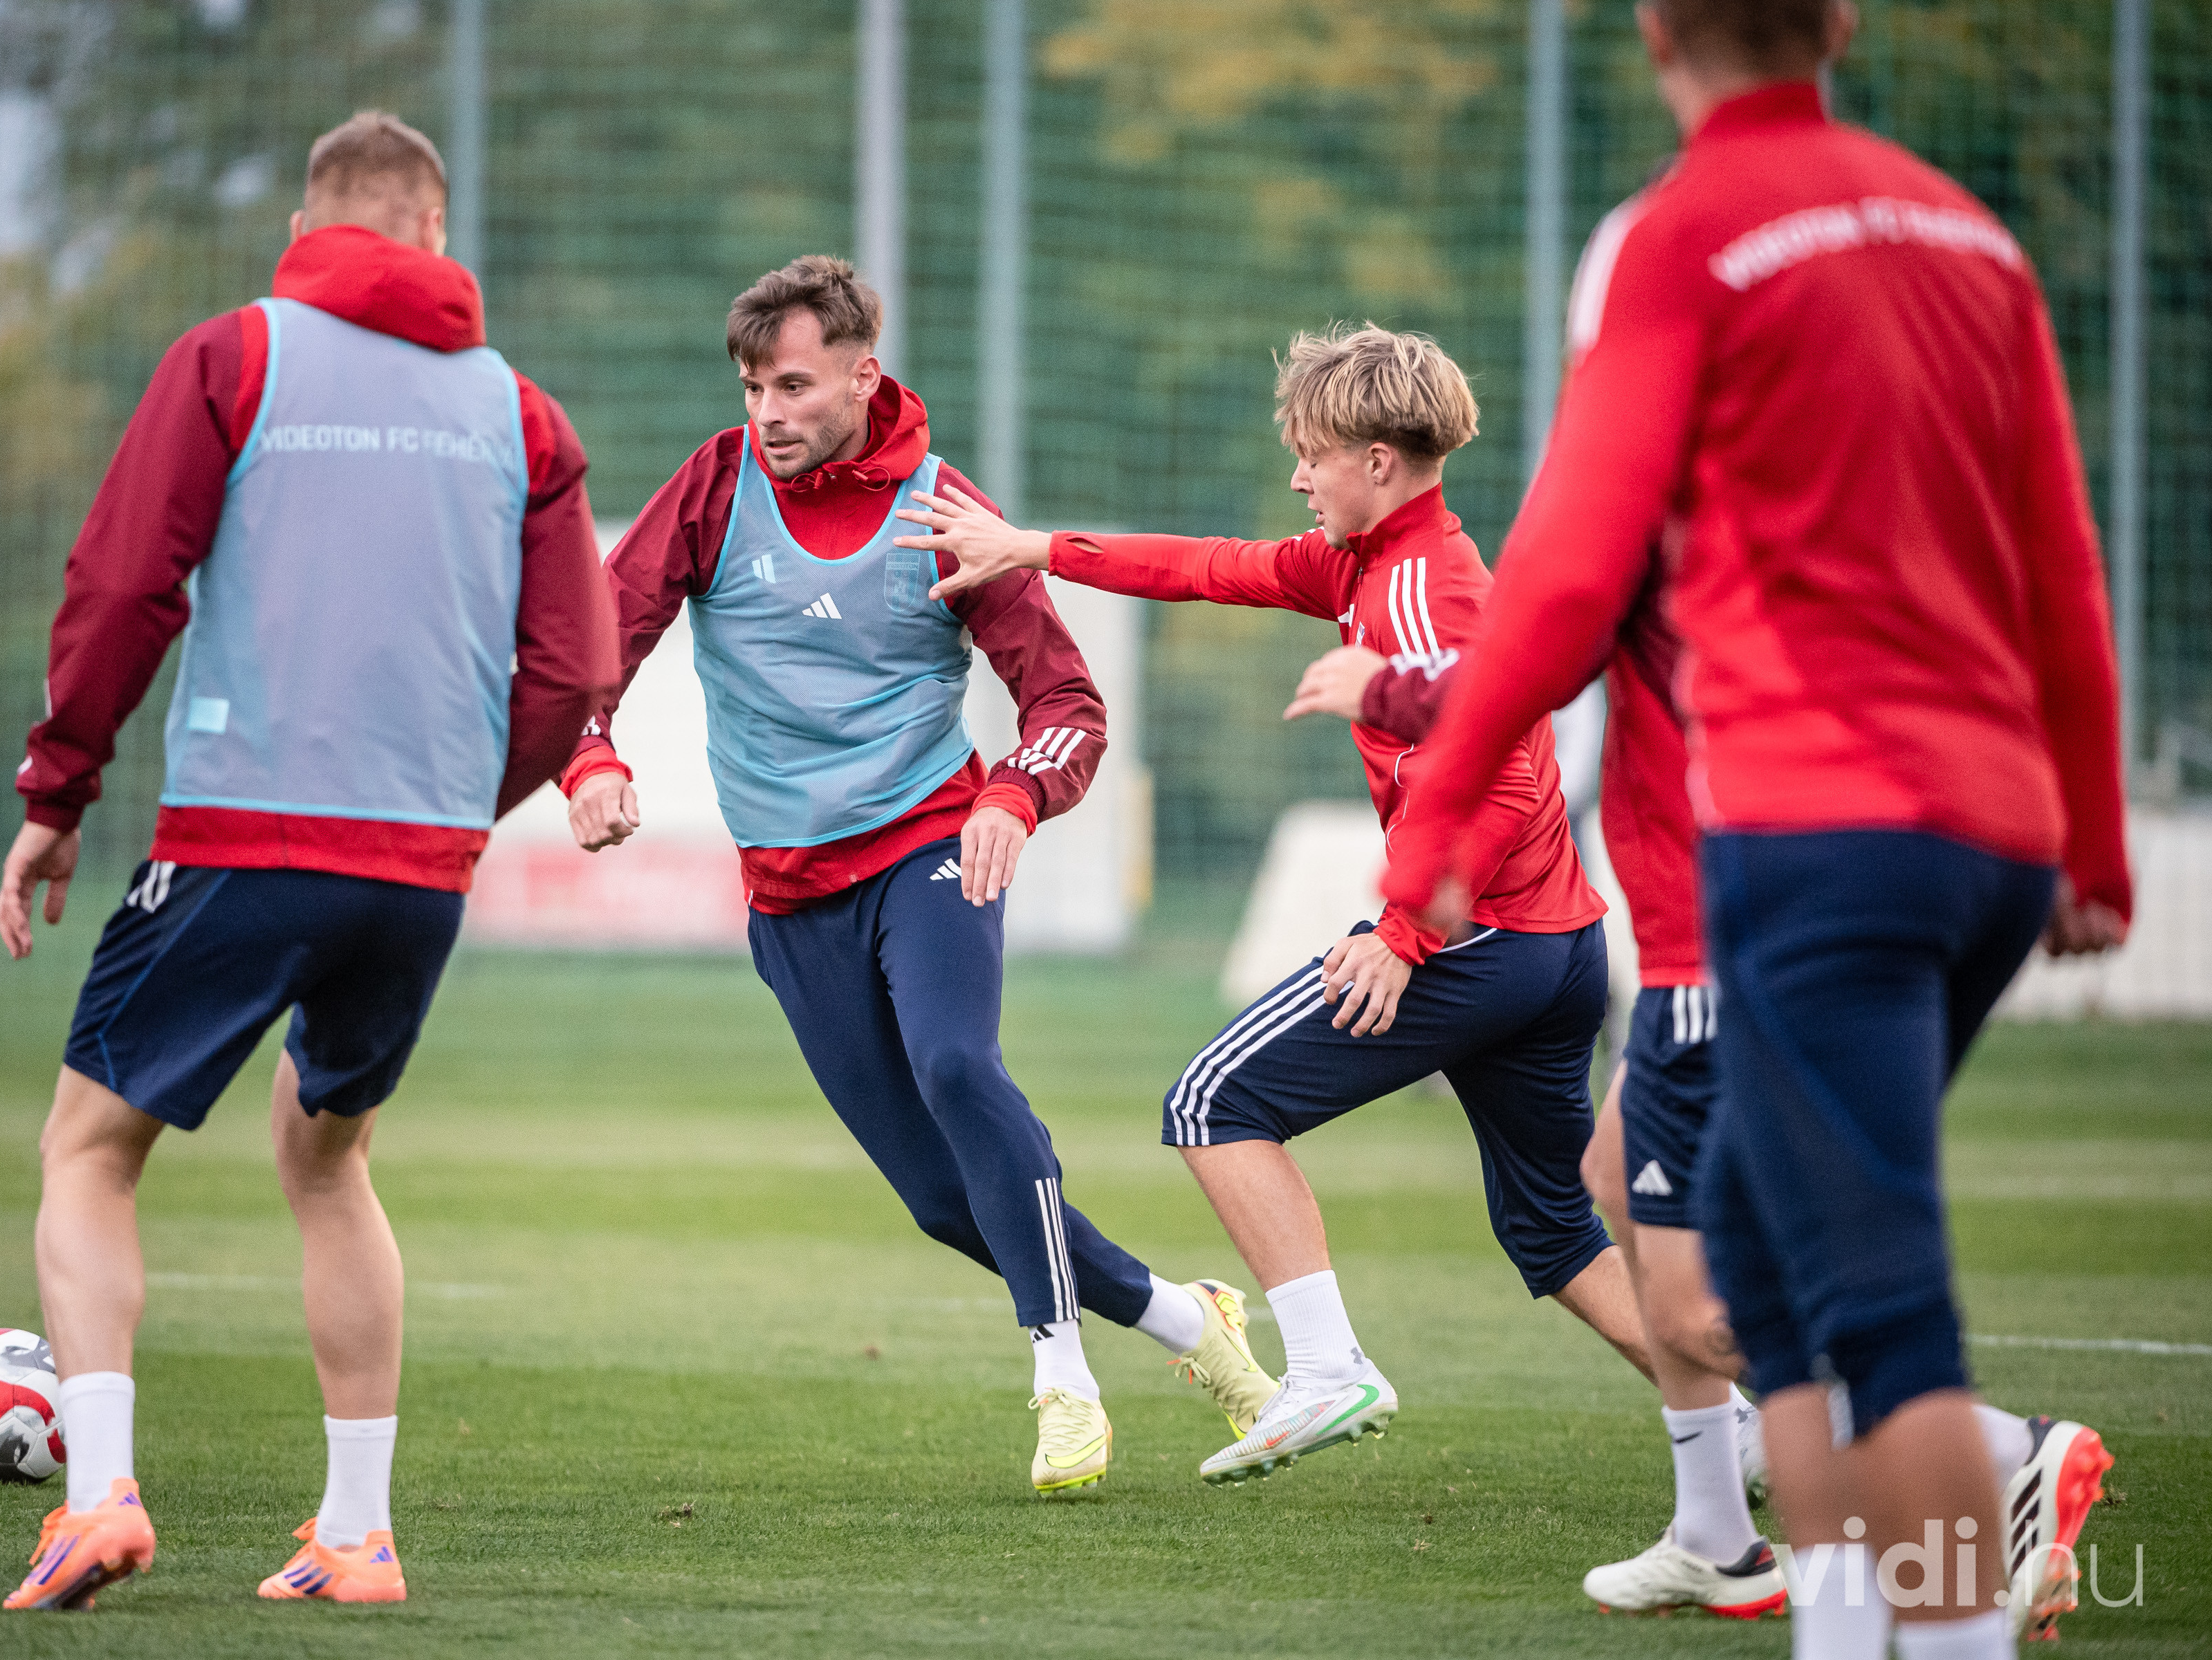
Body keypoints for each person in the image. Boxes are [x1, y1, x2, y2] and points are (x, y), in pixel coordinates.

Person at [1378, 3, 2129, 1653]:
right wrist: (2094, 835)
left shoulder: (1674, 236)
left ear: (1656, 31)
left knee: (1879, 1309)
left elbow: (1569, 571)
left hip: (1820, 836)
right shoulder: (1970, 233)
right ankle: (1835, 1617)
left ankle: (1950, 1623)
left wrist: (1431, 819)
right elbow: (2063, 562)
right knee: (1776, 1285)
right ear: (1841, 23)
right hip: (1994, 830)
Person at [0, 110, 620, 1609]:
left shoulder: (235, 356)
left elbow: (125, 584)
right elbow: (574, 667)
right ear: (435, 233)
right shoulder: (523, 414)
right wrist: (461, 807)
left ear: (307, 226)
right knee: (328, 1159)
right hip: (418, 868)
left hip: (242, 837)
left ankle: (99, 1499)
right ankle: (357, 1536)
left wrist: (60, 786)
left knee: (89, 1152)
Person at [560, 255, 1275, 1497]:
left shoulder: (944, 510)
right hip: (790, 897)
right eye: (752, 388)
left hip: (928, 845)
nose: (768, 412)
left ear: (862, 377)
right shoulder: (714, 489)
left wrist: (1013, 794)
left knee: (958, 1067)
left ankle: (1063, 1379)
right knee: (948, 1202)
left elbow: (1066, 704)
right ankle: (1183, 1318)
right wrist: (590, 757)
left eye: (793, 385)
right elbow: (592, 649)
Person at [898, 324, 1655, 1487]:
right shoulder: (1372, 563)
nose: (1298, 478)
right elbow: (1207, 565)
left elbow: (1503, 778)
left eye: (1313, 456)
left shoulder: (1417, 593)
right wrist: (1030, 547)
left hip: (1480, 940)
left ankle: (1327, 1368)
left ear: (1379, 463)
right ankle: (1743, 1425)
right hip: (1556, 947)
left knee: (1213, 1102)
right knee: (1555, 1232)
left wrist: (1404, 936)